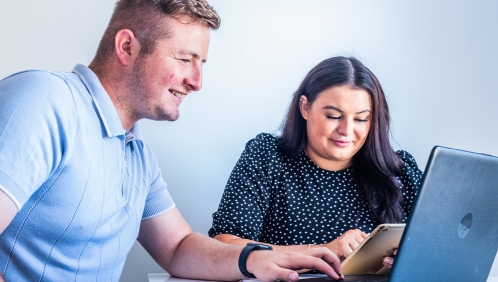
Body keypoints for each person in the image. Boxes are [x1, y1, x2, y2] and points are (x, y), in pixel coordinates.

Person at [0, 1, 345, 281]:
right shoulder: (43, 101)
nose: (196, 82)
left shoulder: (136, 153)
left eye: (201, 64)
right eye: (184, 59)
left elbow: (178, 247)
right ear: (127, 47)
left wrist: (253, 259)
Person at [209, 56, 423, 270]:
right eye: (333, 116)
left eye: (360, 119)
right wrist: (323, 252)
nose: (346, 130)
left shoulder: (399, 170)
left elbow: (443, 244)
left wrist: (411, 259)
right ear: (305, 107)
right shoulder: (267, 157)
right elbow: (225, 245)